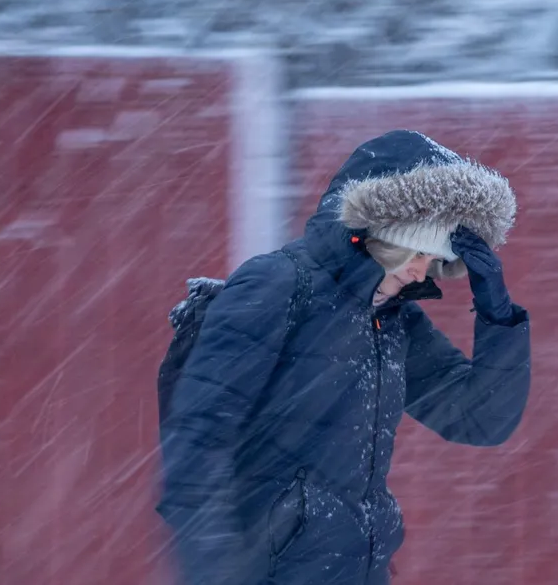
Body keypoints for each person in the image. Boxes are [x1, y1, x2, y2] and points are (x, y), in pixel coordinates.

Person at [157, 130, 532, 585]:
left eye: (436, 257)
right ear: (379, 230)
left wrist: (498, 316)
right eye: (417, 250)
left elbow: (479, 419)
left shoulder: (392, 317)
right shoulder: (279, 285)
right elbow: (197, 443)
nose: (422, 270)